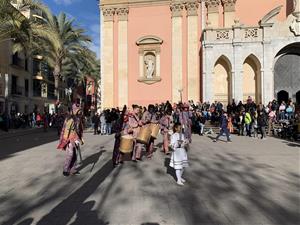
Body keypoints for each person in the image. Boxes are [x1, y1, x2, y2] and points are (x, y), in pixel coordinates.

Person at [57, 104, 84, 176]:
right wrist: (66, 140)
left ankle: (73, 169)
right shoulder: (70, 119)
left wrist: (79, 139)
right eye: (78, 110)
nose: (79, 112)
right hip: (70, 139)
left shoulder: (78, 119)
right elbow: (67, 131)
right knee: (70, 154)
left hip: (75, 139)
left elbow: (78, 130)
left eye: (79, 110)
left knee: (74, 155)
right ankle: (65, 169)